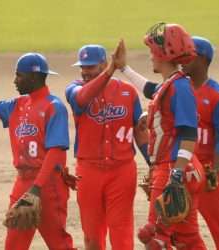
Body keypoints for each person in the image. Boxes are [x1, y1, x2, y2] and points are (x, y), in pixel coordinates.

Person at [0, 45, 76, 250]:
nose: (14, 80)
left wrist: (36, 188)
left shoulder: (54, 107)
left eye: (19, 76)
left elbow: (56, 151)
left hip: (48, 184)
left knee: (59, 243)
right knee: (14, 244)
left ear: (34, 77)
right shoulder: (17, 104)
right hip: (22, 182)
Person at [117, 22, 207, 249]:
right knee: (187, 239)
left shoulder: (180, 87)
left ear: (164, 53)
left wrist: (175, 174)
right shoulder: (172, 84)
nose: (150, 56)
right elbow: (151, 89)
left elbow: (189, 134)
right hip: (180, 169)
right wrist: (123, 68)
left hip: (173, 168)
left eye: (152, 51)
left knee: (155, 239)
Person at [64, 42, 149, 250]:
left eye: (90, 67)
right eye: (82, 67)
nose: (84, 72)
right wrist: (111, 70)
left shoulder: (128, 93)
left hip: (122, 171)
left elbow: (140, 131)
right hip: (88, 171)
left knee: (121, 230)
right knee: (92, 234)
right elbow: (83, 99)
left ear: (102, 65)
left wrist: (153, 162)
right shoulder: (74, 89)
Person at [182, 36, 219, 250]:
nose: (182, 59)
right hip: (184, 169)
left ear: (203, 59)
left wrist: (214, 172)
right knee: (180, 230)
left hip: (208, 171)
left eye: (188, 54)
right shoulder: (179, 89)